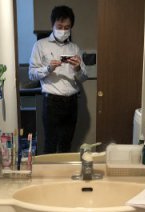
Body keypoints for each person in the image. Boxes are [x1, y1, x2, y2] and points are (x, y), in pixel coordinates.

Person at [29, 5, 87, 154]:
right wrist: (48, 68)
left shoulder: (74, 48)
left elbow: (84, 77)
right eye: (59, 27)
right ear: (52, 25)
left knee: (66, 144)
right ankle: (49, 170)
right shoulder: (40, 45)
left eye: (67, 27)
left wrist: (78, 68)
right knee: (50, 143)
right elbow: (32, 74)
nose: (63, 30)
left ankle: (64, 169)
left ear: (71, 27)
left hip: (72, 101)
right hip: (52, 102)